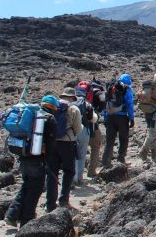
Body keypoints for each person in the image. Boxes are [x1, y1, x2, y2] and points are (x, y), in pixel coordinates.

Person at [5, 95, 59, 228]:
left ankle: (12, 215)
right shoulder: (49, 119)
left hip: (23, 156)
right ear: (53, 107)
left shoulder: (33, 115)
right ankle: (26, 222)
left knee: (26, 186)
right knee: (35, 191)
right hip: (38, 160)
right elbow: (51, 144)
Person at [45, 87, 82, 211]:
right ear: (73, 97)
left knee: (52, 173)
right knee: (68, 171)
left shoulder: (52, 107)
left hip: (51, 143)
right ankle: (63, 200)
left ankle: (50, 204)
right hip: (67, 143)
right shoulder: (73, 108)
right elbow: (78, 129)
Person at [102, 73, 134, 167]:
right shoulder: (127, 89)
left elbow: (105, 103)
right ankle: (121, 160)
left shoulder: (109, 88)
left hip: (110, 116)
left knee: (109, 141)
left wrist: (105, 117)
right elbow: (129, 104)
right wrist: (131, 118)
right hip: (122, 118)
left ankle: (106, 162)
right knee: (123, 139)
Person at [71, 84, 95, 186]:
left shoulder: (70, 103)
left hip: (70, 132)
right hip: (83, 130)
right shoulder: (86, 103)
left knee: (71, 156)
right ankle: (79, 178)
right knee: (81, 155)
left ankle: (71, 177)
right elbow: (91, 118)